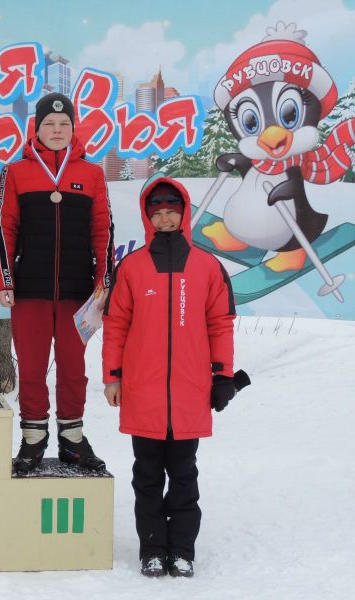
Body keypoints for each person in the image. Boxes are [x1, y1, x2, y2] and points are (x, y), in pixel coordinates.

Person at [102, 174, 238, 577]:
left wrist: (223, 375)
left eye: (171, 211)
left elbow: (221, 324)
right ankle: (152, 550)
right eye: (157, 212)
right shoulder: (132, 267)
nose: (164, 218)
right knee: (146, 477)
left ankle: (181, 550)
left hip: (189, 391)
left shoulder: (207, 266)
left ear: (184, 214)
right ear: (147, 217)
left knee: (183, 476)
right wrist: (113, 377)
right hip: (143, 391)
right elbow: (115, 325)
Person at [0, 93, 114, 474]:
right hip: (30, 290)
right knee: (31, 368)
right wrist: (4, 279)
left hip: (78, 293)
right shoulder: (16, 172)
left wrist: (103, 283)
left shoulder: (92, 174)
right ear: (37, 129)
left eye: (64, 125)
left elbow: (103, 230)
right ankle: (33, 439)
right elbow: (3, 227)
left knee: (74, 369)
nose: (57, 130)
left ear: (73, 129)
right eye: (49, 124)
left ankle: (72, 439)